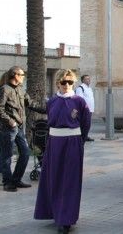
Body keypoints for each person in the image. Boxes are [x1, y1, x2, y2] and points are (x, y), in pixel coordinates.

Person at [34, 69, 91, 234]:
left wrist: (79, 142)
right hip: (54, 144)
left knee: (69, 181)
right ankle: (54, 212)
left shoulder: (80, 102)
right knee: (54, 178)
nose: (67, 85)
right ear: (58, 82)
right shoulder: (51, 102)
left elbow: (86, 124)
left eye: (70, 82)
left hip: (73, 144)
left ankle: (66, 219)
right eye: (63, 82)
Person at [0, 66, 45, 192]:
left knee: (25, 153)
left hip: (18, 128)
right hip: (6, 129)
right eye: (22, 75)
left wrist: (50, 108)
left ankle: (16, 180)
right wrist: (10, 122)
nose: (23, 77)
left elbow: (31, 104)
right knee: (7, 156)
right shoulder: (4, 90)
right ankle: (7, 182)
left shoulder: (21, 90)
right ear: (15, 75)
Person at [75, 75, 95, 141]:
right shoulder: (80, 88)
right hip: (85, 110)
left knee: (88, 124)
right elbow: (80, 99)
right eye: (86, 79)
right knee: (85, 124)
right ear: (83, 80)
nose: (88, 80)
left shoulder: (89, 88)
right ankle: (82, 136)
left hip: (90, 109)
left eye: (89, 79)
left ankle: (85, 135)